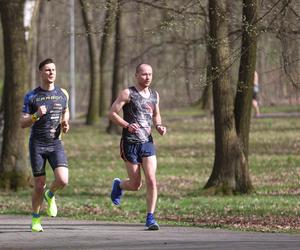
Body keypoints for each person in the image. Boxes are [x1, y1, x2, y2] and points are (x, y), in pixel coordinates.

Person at [109, 63, 167, 230]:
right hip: (130, 143)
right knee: (136, 184)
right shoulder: (128, 93)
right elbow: (112, 113)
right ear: (136, 75)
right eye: (144, 74)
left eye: (150, 74)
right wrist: (127, 125)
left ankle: (150, 218)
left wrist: (159, 125)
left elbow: (156, 114)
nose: (147, 77)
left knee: (152, 180)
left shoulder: (155, 95)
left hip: (147, 142)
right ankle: (119, 185)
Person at [20, 58, 70, 232]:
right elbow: (22, 123)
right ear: (40, 73)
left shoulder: (62, 93)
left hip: (55, 143)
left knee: (63, 180)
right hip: (38, 145)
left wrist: (65, 122)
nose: (51, 73)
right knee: (39, 184)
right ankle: (35, 219)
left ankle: (51, 194)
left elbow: (65, 110)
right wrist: (35, 116)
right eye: (48, 70)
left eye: (53, 70)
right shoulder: (32, 96)